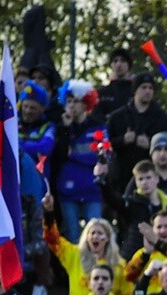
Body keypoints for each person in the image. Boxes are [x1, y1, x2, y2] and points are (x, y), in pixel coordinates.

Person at [42, 193, 132, 295]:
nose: (95, 236)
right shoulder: (74, 254)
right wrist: (48, 212)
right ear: (86, 237)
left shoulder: (119, 264)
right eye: (92, 233)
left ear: (108, 238)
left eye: (100, 233)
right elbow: (52, 239)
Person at [50, 79, 105, 242]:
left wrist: (73, 155)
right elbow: (59, 156)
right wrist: (65, 129)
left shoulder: (97, 126)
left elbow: (99, 156)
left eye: (76, 101)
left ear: (86, 103)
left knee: (95, 235)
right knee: (72, 237)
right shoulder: (60, 127)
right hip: (67, 191)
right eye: (68, 101)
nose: (71, 105)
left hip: (92, 189)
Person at [104, 73, 167, 200]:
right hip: (122, 176)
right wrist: (122, 140)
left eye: (150, 88)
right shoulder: (117, 117)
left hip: (151, 178)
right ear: (135, 90)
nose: (147, 91)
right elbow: (106, 145)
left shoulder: (163, 118)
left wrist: (151, 144)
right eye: (144, 87)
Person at [96, 157, 167, 259]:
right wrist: (103, 179)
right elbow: (112, 199)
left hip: (162, 256)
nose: (145, 182)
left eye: (148, 177)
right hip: (133, 257)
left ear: (157, 178)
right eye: (140, 179)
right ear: (136, 182)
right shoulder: (131, 204)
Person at [96, 47, 135, 118]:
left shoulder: (136, 92)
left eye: (123, 60)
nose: (118, 64)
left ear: (129, 65)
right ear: (111, 65)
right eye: (115, 61)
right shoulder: (102, 93)